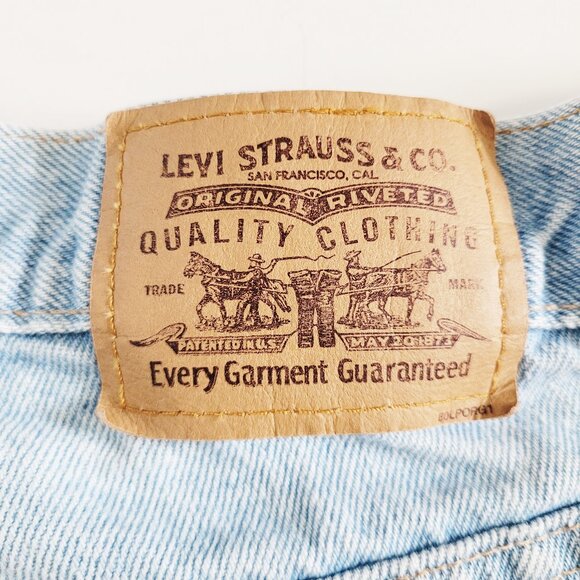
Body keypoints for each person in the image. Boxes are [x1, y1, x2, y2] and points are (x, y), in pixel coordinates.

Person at [338, 250, 380, 325]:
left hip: (361, 287)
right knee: (353, 303)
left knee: (361, 303)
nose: (358, 258)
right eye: (356, 257)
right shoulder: (350, 268)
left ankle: (359, 318)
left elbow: (363, 269)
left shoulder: (357, 266)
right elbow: (360, 272)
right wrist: (371, 270)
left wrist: (372, 269)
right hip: (355, 288)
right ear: (352, 258)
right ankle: (350, 318)